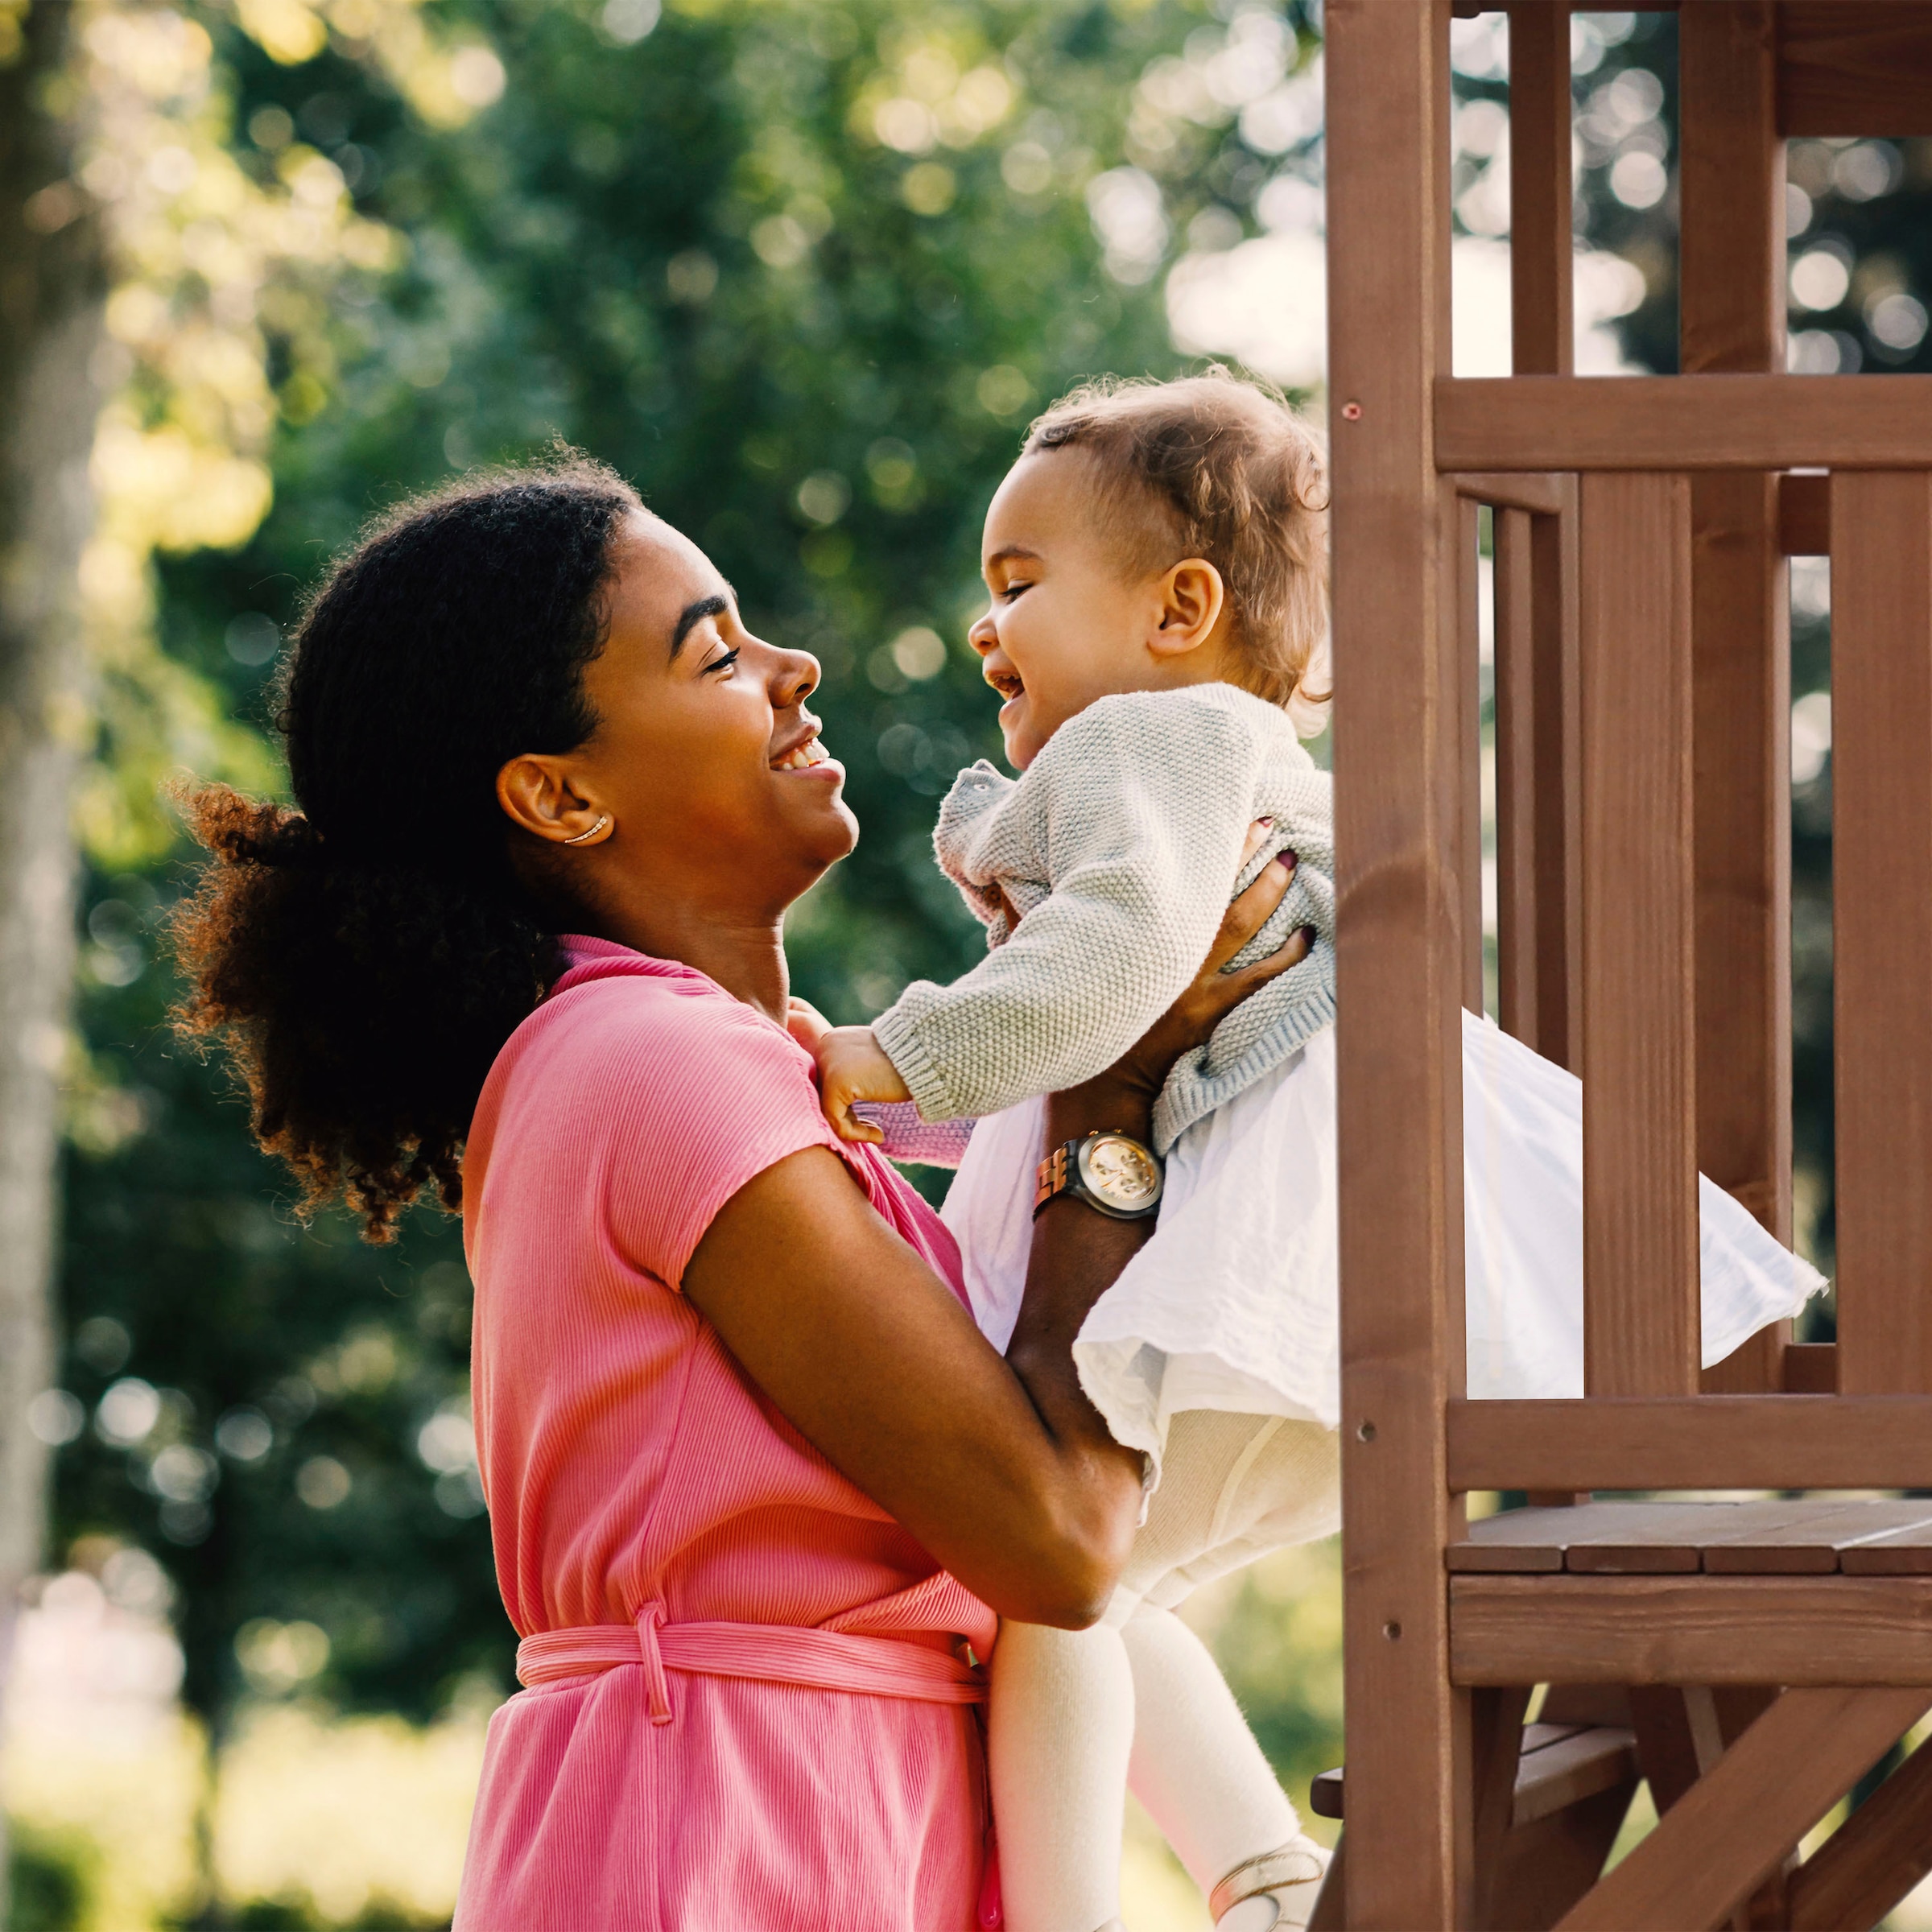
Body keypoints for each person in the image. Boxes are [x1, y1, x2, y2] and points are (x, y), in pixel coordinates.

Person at [166, 452, 1310, 1931]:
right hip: (722, 1828)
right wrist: (1117, 1087)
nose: (793, 667)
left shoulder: (735, 1070)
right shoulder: (655, 1066)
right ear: (563, 795)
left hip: (814, 1806)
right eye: (715, 652)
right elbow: (1057, 1539)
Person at [809, 371, 1827, 1932]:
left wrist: (891, 1057)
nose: (980, 625)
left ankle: (1077, 1914)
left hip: (1254, 1231)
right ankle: (1268, 1881)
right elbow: (1089, 1035)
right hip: (1296, 1236)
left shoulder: (1157, 741)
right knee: (1099, 1577)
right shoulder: (1230, 755)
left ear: (1179, 608)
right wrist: (901, 1097)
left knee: (1051, 1581)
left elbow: (1115, 966)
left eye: (1018, 586)